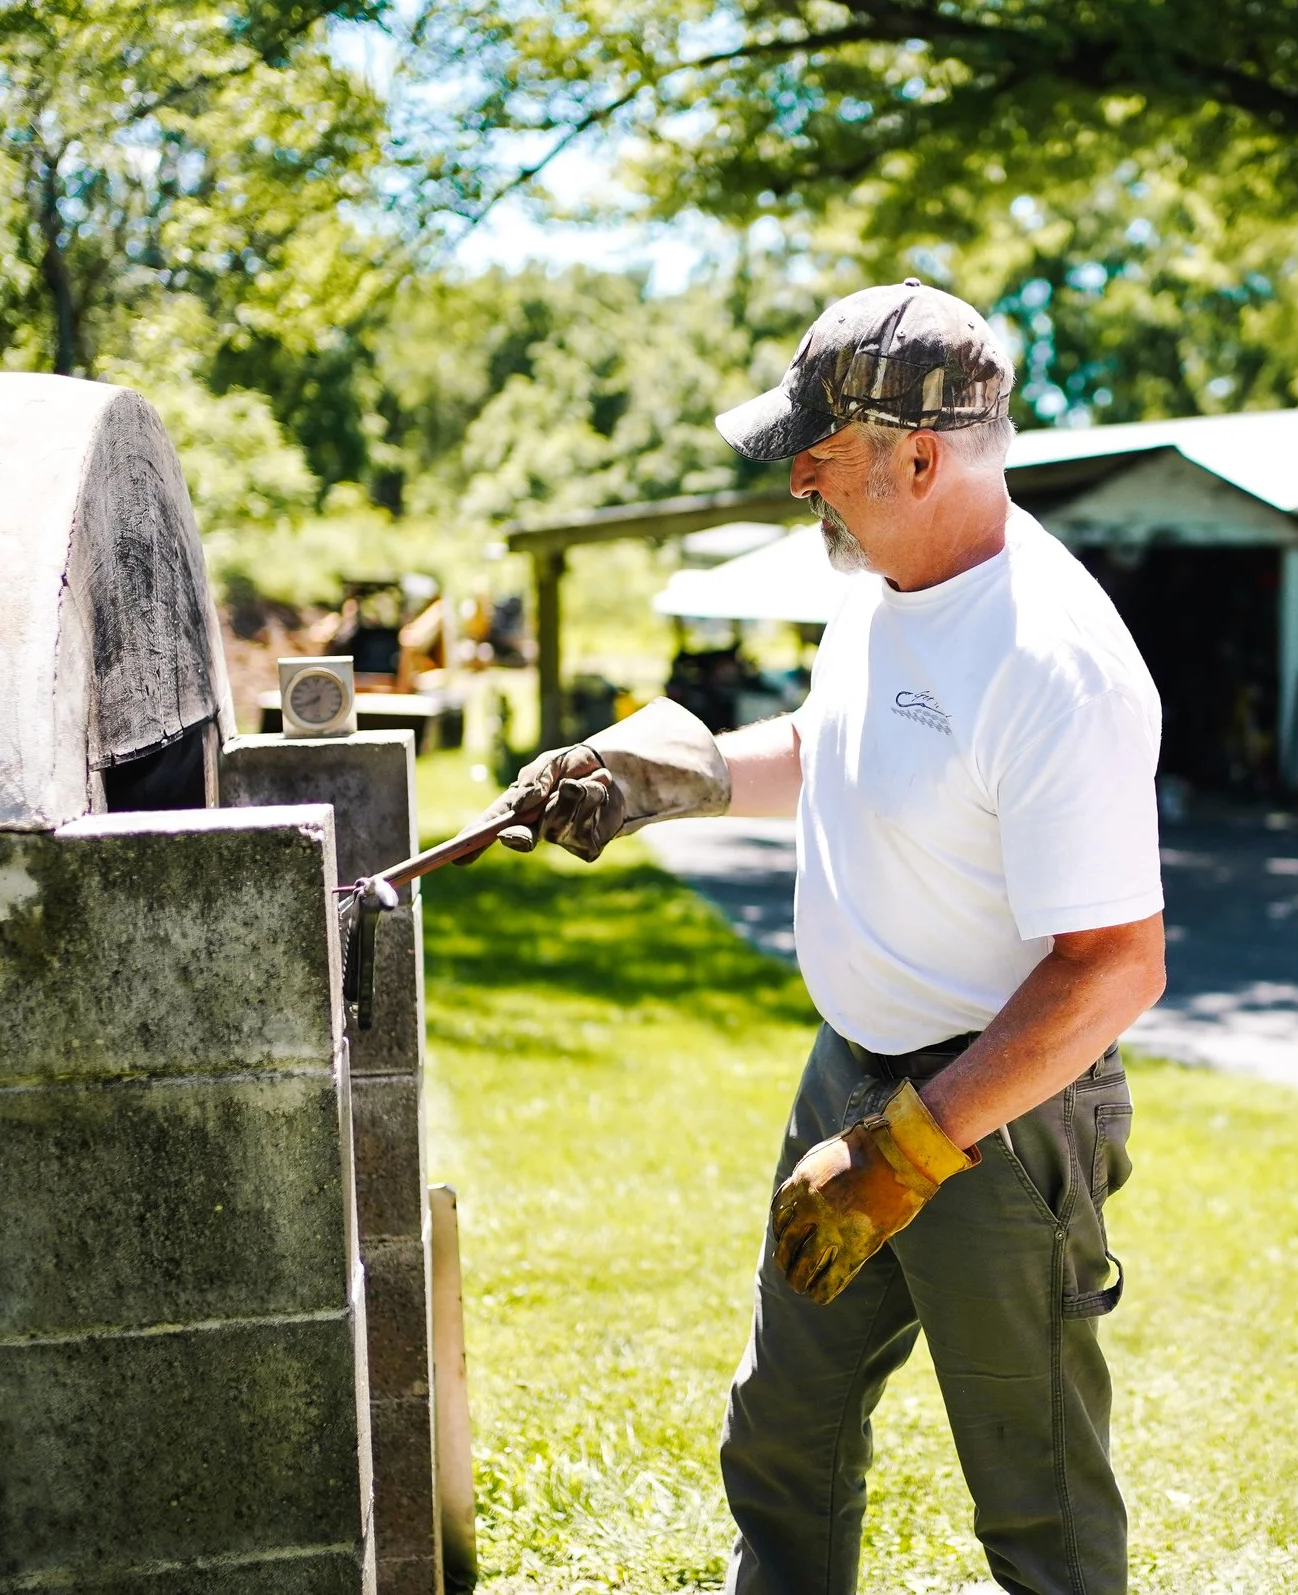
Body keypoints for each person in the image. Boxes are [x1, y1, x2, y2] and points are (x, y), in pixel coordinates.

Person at [480, 279, 1166, 1595]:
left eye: (826, 452)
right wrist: (661, 778)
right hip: (848, 1067)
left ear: (921, 454)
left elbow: (1114, 964)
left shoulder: (1048, 658)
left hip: (1001, 1115)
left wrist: (910, 1147)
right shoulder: (882, 579)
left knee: (1039, 1499)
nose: (800, 477)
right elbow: (834, 746)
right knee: (783, 1436)